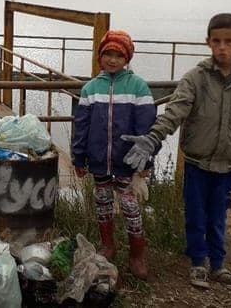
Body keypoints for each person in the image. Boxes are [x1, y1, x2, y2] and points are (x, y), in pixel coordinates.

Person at [121, 13, 231, 292]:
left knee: (219, 215)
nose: (222, 47)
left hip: (229, 164)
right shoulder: (195, 79)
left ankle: (218, 265)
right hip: (198, 163)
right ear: (208, 42)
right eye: (216, 41)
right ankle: (198, 262)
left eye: (229, 41)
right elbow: (175, 112)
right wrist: (153, 138)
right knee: (196, 214)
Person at [71, 29, 156, 280]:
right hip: (98, 162)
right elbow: (82, 126)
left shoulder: (138, 87)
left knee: (130, 208)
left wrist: (145, 162)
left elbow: (147, 128)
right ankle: (108, 245)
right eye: (107, 54)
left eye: (118, 55)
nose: (112, 59)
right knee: (103, 204)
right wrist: (78, 158)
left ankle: (137, 255)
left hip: (127, 164)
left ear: (127, 58)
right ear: (100, 56)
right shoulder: (90, 89)